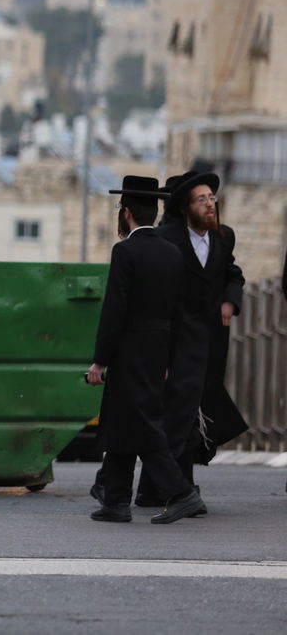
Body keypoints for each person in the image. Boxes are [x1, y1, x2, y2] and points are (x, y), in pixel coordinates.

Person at [85, 176, 203, 524]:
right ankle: (116, 501)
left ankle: (182, 494)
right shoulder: (172, 253)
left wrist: (99, 361)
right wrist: (169, 359)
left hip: (129, 351)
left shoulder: (125, 251)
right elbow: (180, 311)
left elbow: (115, 310)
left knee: (142, 425)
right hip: (157, 352)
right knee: (125, 422)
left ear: (125, 213)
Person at [140, 168, 247, 507]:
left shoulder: (222, 238)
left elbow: (233, 272)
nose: (210, 205)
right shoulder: (168, 239)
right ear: (186, 207)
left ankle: (166, 487)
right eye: (202, 200)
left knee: (197, 410)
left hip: (212, 341)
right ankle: (171, 487)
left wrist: (230, 299)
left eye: (212, 199)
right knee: (177, 411)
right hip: (178, 340)